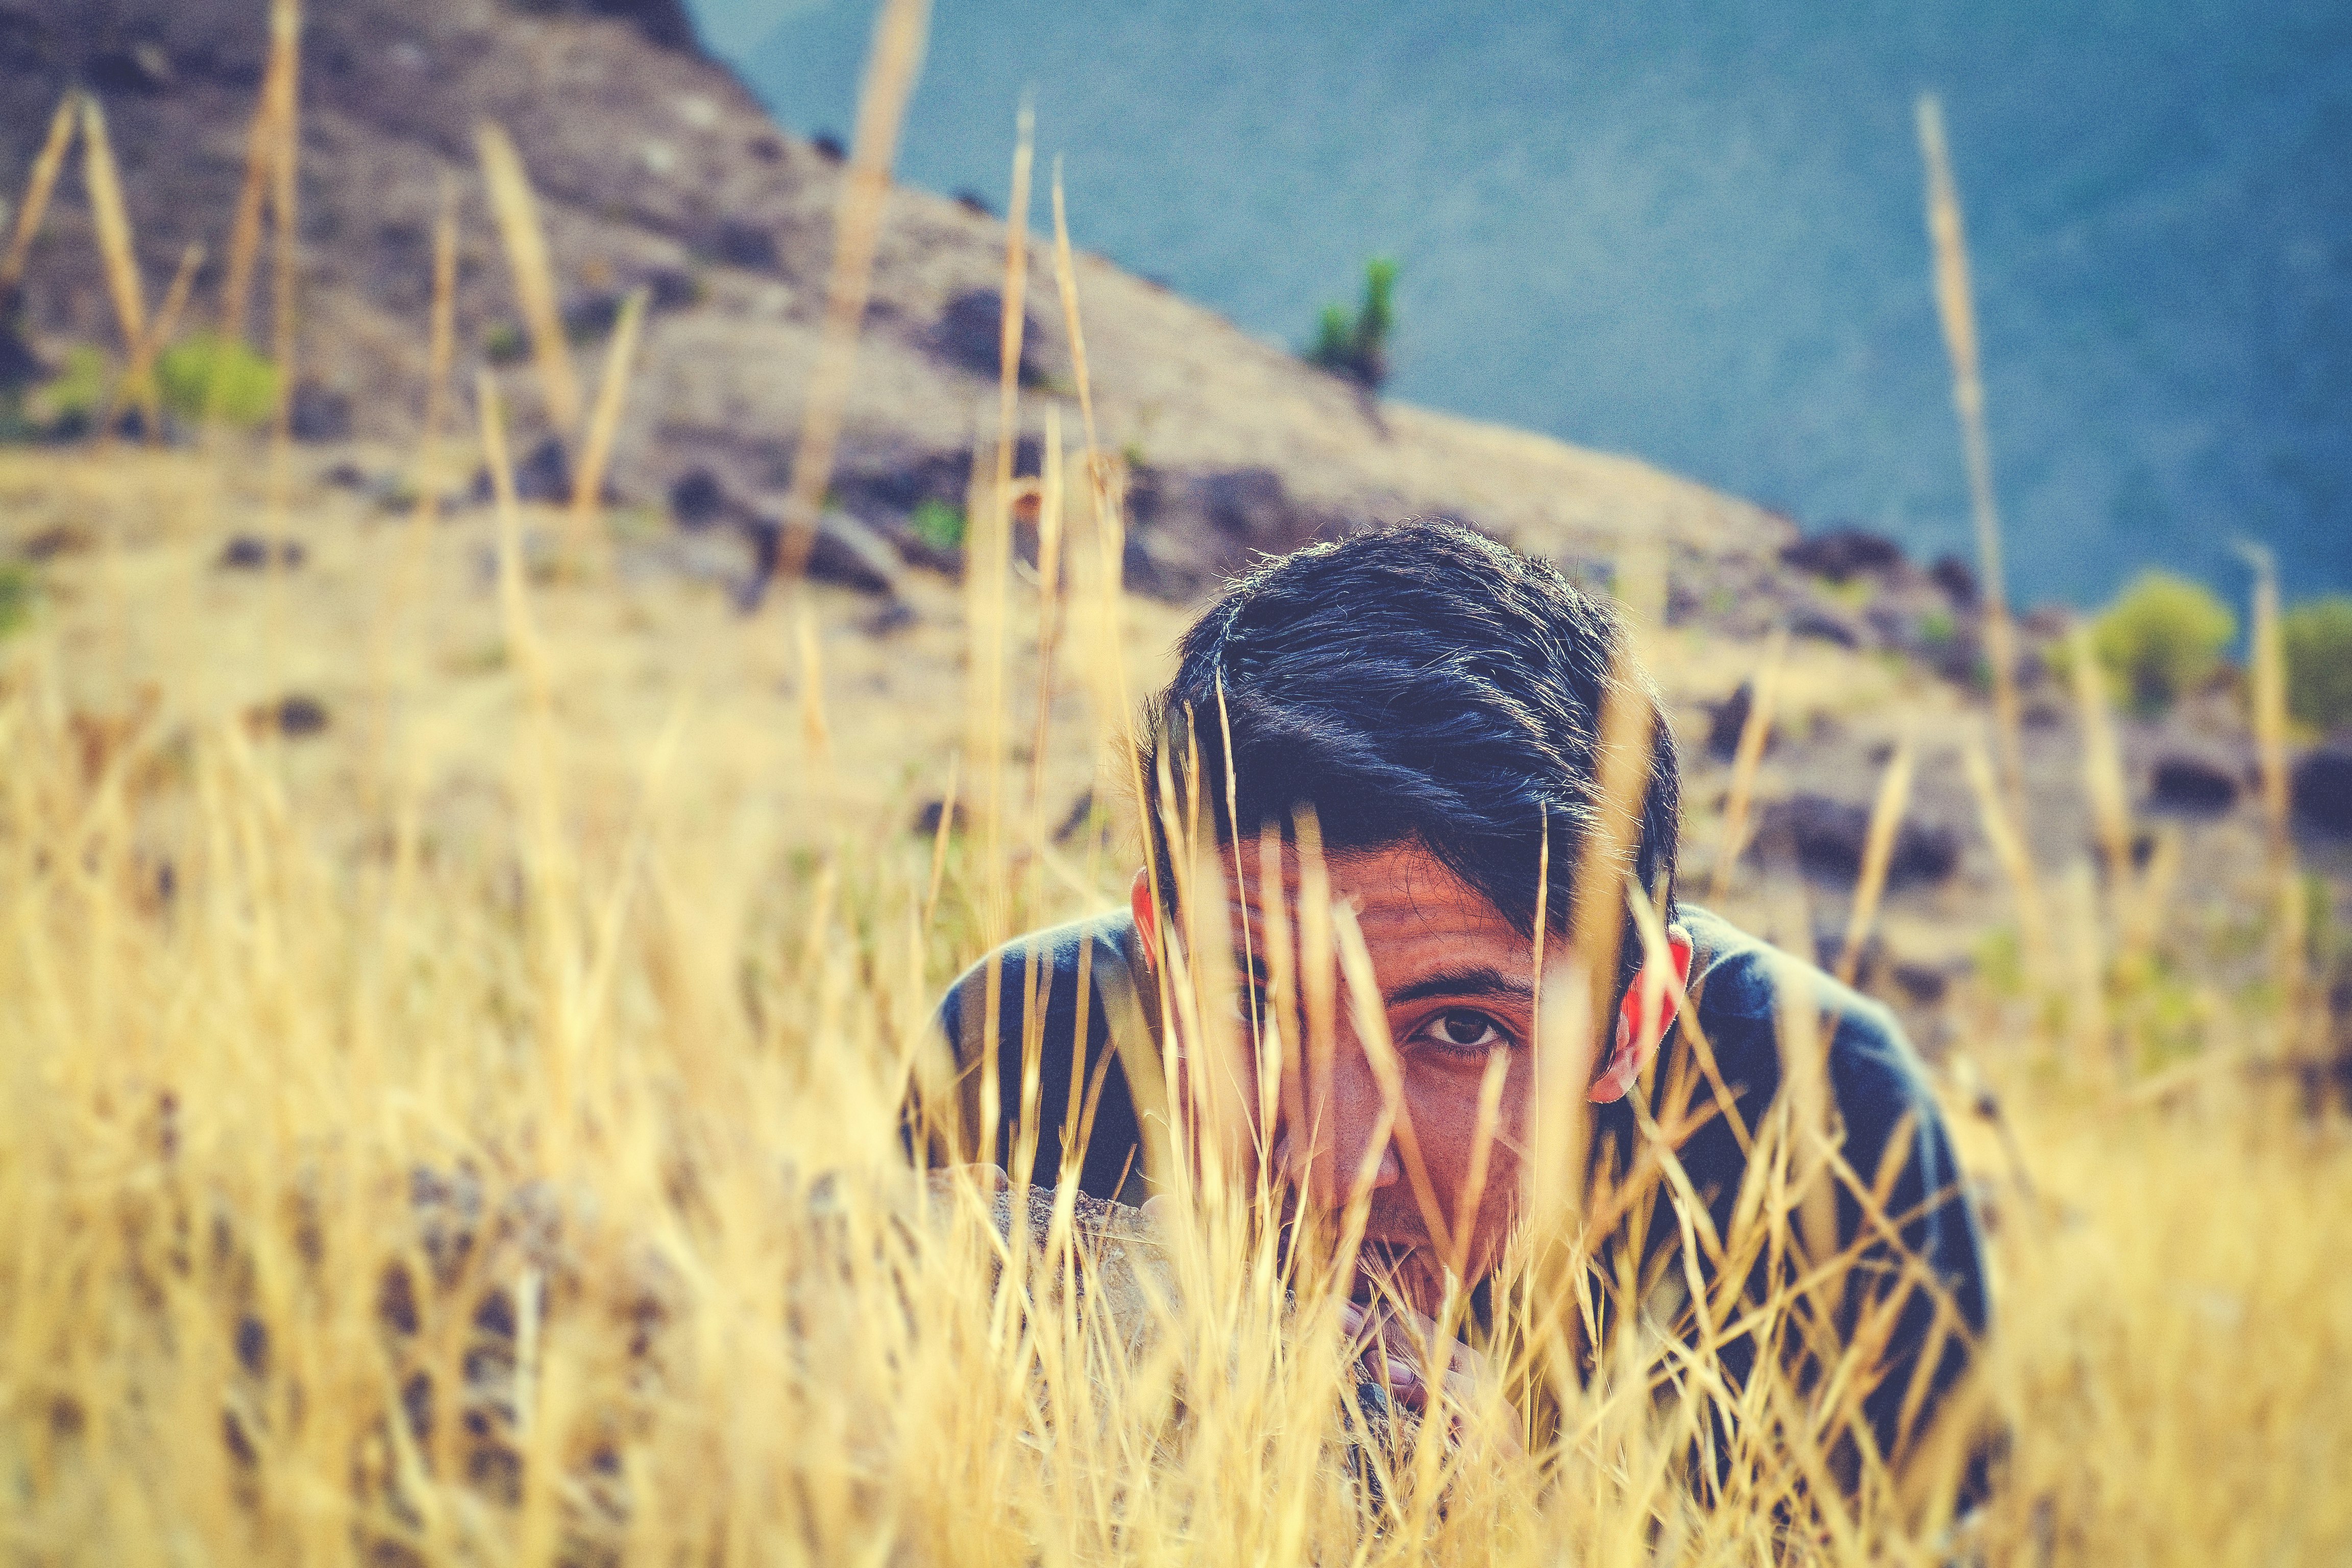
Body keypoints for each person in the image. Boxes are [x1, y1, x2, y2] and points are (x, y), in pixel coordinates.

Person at [918, 520, 1989, 1479]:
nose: (1330, 1168)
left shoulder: (1822, 1122)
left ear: (1636, 1020)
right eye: (1251, 999)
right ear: (1159, 951)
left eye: (1462, 1030)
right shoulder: (1024, 1060)